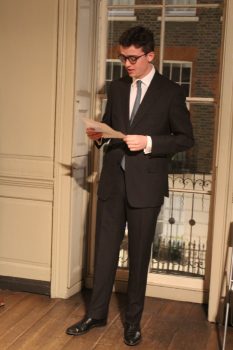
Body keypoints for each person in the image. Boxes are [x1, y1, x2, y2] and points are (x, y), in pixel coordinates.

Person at [66, 26, 194, 346]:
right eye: (122, 58)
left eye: (133, 58)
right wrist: (98, 136)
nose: (127, 64)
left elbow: (185, 139)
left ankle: (132, 323)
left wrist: (149, 142)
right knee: (104, 253)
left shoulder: (171, 92)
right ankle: (96, 314)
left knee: (138, 258)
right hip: (113, 181)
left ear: (150, 56)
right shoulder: (118, 87)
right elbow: (111, 124)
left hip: (146, 187)